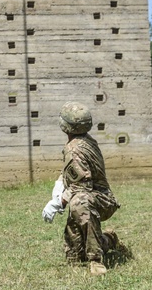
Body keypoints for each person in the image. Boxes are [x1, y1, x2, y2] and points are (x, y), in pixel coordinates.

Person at [41, 102, 122, 276]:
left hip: (99, 199)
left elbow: (81, 188)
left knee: (79, 201)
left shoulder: (74, 148)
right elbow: (73, 174)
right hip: (94, 198)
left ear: (65, 126)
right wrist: (60, 184)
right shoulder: (85, 141)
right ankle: (108, 239)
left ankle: (96, 261)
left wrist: (58, 203)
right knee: (74, 257)